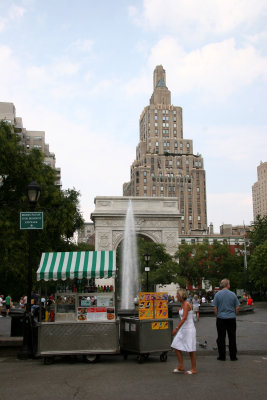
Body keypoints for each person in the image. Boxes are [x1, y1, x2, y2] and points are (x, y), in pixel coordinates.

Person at [213, 278, 240, 361]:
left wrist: (218, 315)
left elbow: (214, 308)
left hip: (221, 318)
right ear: (227, 285)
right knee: (232, 337)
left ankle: (222, 356)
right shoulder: (233, 294)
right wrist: (234, 314)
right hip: (231, 318)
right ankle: (233, 356)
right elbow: (237, 307)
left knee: (221, 337)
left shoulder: (217, 294)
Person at [171, 289, 197, 375]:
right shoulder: (183, 304)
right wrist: (180, 310)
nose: (176, 296)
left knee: (191, 349)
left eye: (177, 295)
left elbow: (184, 318)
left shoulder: (186, 304)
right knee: (175, 345)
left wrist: (176, 328)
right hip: (184, 329)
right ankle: (181, 366)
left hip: (188, 329)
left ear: (181, 295)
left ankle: (194, 369)